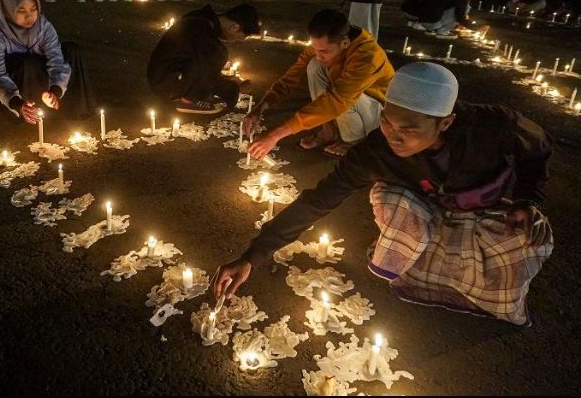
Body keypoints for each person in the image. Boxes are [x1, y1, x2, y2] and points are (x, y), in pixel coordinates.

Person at [213, 62, 553, 326]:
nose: (394, 136)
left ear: (445, 123)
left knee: (527, 239)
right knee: (391, 201)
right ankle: (419, 268)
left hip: (481, 207)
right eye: (388, 122)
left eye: (408, 129)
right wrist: (253, 256)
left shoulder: (493, 127)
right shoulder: (376, 151)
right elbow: (319, 199)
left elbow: (536, 148)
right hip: (427, 206)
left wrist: (527, 199)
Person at [245, 9, 393, 159]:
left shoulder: (367, 57)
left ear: (345, 43)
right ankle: (329, 131)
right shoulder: (324, 45)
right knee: (314, 65)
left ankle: (355, 142)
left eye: (324, 51)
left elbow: (335, 101)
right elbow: (291, 77)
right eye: (315, 49)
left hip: (378, 116)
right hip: (348, 102)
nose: (319, 55)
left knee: (346, 95)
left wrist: (275, 135)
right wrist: (261, 107)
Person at [0, 0, 95, 122]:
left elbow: (56, 59)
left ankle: (70, 109)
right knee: (27, 62)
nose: (29, 15)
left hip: (44, 80)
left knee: (72, 50)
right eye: (21, 10)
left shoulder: (44, 27)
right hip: (19, 84)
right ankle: (27, 112)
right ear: (7, 10)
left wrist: (55, 91)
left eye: (33, 9)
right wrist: (16, 103)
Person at [147, 3, 261, 114]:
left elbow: (201, 70)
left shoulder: (202, 19)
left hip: (164, 74)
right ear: (235, 27)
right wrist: (233, 88)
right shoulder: (204, 33)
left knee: (215, 54)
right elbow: (206, 73)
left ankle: (190, 96)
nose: (234, 41)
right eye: (238, 38)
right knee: (219, 54)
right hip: (166, 82)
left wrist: (229, 81)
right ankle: (189, 100)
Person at [402, 0, 485, 39]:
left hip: (408, 12)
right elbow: (460, 18)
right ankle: (442, 31)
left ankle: (431, 29)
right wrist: (477, 28)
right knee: (466, 8)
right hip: (423, 19)